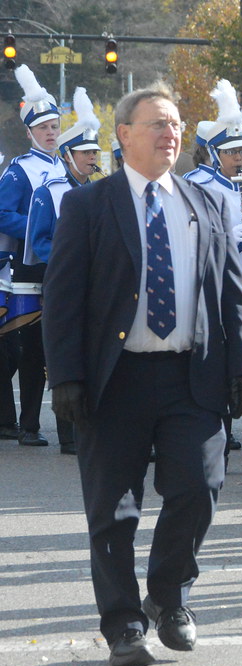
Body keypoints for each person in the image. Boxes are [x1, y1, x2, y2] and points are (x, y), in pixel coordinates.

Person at [42, 83, 242, 666]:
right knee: (113, 509)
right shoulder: (89, 205)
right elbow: (62, 298)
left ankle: (168, 597)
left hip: (193, 376)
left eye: (176, 124)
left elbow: (232, 292)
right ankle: (123, 624)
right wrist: (65, 375)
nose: (171, 133)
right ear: (124, 135)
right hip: (115, 380)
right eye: (158, 124)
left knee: (199, 489)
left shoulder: (205, 203)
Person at [26, 86, 104, 456]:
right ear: (68, 155)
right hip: (60, 285)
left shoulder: (101, 192)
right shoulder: (49, 190)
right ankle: (68, 434)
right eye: (86, 153)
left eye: (95, 153)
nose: (92, 159)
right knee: (63, 352)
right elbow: (38, 240)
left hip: (95, 287)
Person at [182, 79, 242, 462]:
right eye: (231, 151)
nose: (239, 157)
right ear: (213, 153)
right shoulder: (197, 183)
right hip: (210, 284)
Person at [0, 65, 65, 448]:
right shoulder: (19, 170)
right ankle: (27, 425)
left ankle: (41, 423)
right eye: (43, 128)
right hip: (26, 267)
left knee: (49, 346)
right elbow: (3, 214)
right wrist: (39, 225)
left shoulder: (64, 166)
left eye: (54, 126)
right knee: (27, 347)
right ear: (29, 133)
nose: (51, 133)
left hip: (58, 266)